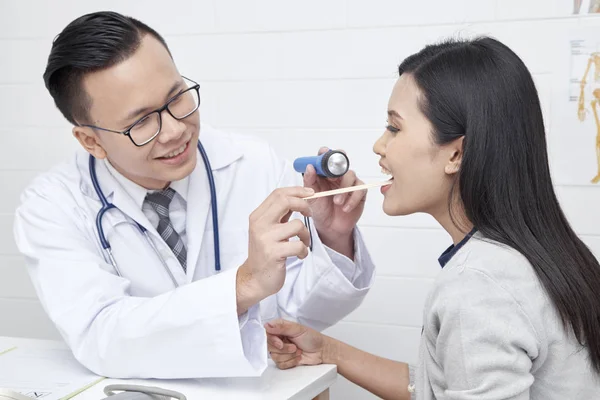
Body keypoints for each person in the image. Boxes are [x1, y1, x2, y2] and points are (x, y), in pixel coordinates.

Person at [12, 11, 376, 379]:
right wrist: (243, 285)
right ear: (92, 140)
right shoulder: (51, 206)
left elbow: (299, 318)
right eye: (141, 122)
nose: (174, 130)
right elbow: (101, 337)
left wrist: (334, 237)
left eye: (177, 98)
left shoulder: (251, 162)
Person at [265, 36, 600, 399]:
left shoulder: (478, 286)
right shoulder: (536, 255)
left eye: (394, 127)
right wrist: (327, 352)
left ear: (456, 154)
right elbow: (446, 386)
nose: (379, 145)